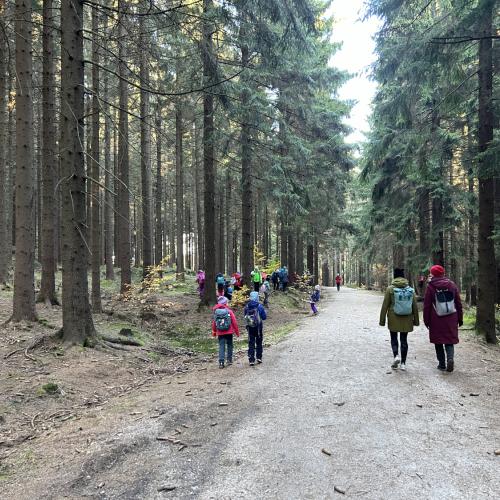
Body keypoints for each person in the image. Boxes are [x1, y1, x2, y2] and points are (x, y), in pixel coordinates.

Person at [423, 265, 463, 373]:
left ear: (433, 274)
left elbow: (427, 305)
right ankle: (450, 358)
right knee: (449, 340)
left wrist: (426, 320)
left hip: (436, 317)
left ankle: (442, 364)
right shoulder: (452, 284)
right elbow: (458, 302)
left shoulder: (430, 286)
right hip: (451, 316)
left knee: (438, 341)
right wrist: (460, 318)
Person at [379, 268, 419, 371]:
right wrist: (416, 321)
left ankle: (396, 356)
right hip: (407, 317)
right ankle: (403, 364)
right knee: (404, 339)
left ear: (394, 277)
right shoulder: (410, 289)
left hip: (393, 317)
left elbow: (385, 305)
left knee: (393, 338)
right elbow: (414, 305)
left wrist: (382, 320)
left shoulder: (390, 289)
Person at [212, 296, 240, 369]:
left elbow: (214, 323)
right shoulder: (229, 311)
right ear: (225, 303)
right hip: (229, 331)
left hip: (220, 332)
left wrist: (214, 332)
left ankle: (221, 362)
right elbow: (234, 322)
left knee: (222, 346)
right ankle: (229, 359)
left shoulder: (216, 312)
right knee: (230, 344)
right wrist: (237, 332)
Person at [244, 291, 267, 366]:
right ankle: (259, 357)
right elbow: (264, 317)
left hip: (250, 328)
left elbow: (245, 317)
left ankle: (251, 359)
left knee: (251, 343)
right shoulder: (260, 307)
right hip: (258, 328)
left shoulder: (247, 307)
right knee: (259, 342)